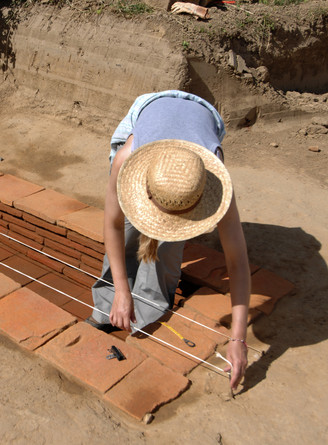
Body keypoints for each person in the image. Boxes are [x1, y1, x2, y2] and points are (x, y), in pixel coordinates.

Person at [89, 90, 251, 390]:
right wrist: (122, 291)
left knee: (168, 247)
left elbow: (238, 264)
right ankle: (107, 308)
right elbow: (111, 225)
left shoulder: (209, 181)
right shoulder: (127, 159)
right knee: (127, 232)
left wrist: (239, 339)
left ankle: (147, 320)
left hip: (201, 123)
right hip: (150, 111)